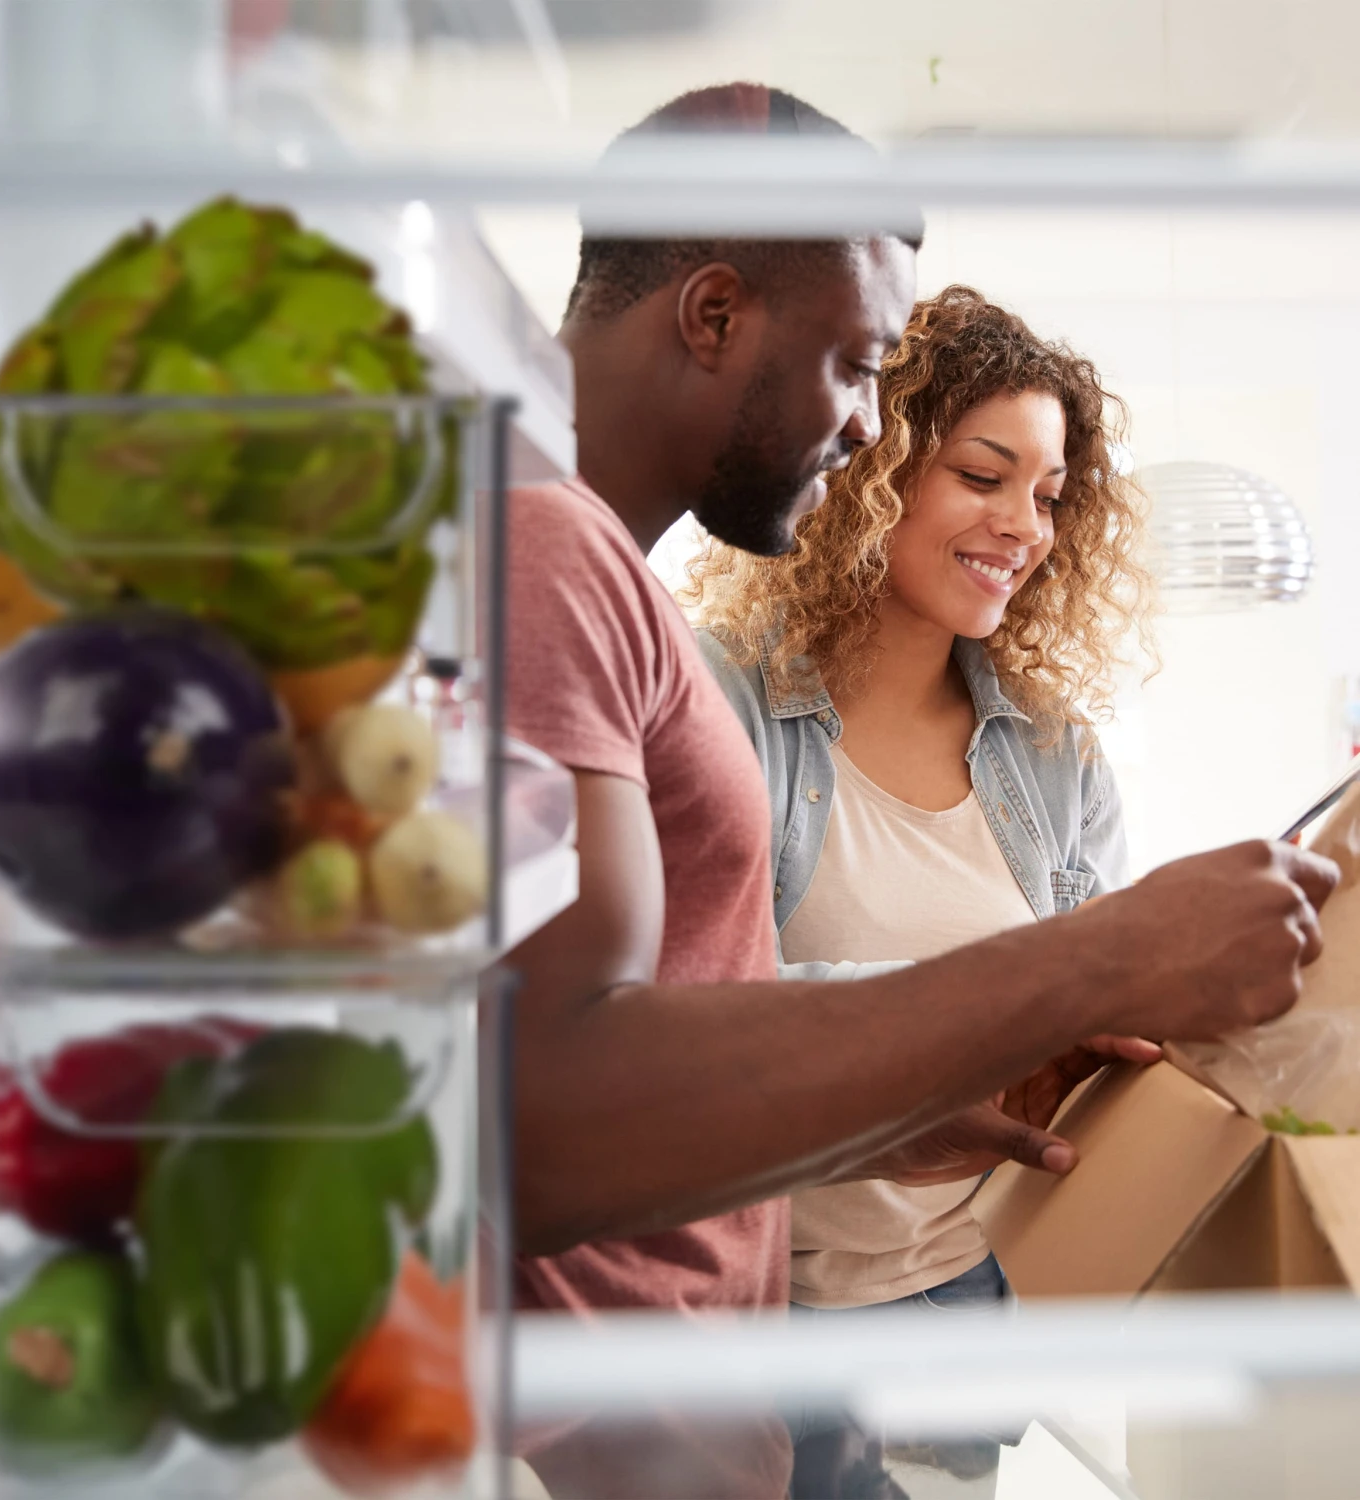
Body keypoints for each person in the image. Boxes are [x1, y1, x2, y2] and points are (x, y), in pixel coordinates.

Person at [502, 83, 1336, 1499]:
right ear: (713, 315)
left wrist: (901, 1103)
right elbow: (558, 1112)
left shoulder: (580, 569)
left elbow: (662, 1028)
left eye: (1050, 494)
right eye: (851, 365)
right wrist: (1099, 958)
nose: (855, 427)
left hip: (769, 1389)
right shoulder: (554, 562)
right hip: (646, 1427)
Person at [692, 285, 1154, 1497]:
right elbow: (678, 1016)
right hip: (762, 1328)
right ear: (872, 470)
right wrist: (967, 1022)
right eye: (983, 476)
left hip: (965, 1311)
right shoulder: (722, 706)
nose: (1025, 526)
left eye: (1049, 495)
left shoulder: (1055, 756)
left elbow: (1096, 1037)